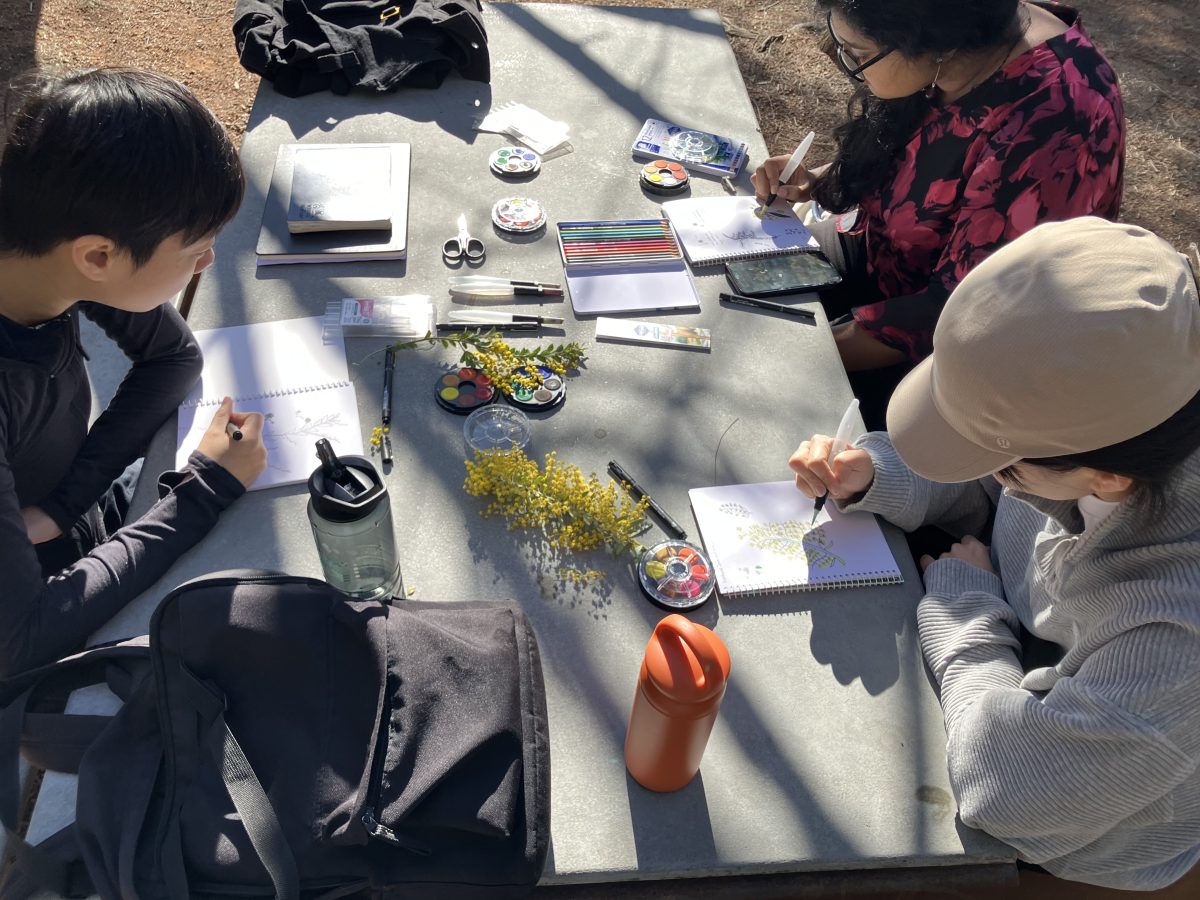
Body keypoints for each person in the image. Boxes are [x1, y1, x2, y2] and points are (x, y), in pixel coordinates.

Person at [789, 218, 1200, 893]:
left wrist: (964, 605)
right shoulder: (1112, 392)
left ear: (1109, 479)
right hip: (1021, 668)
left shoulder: (1174, 636)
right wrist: (877, 472)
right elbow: (984, 471)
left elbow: (1010, 794)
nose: (995, 475)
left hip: (1087, 852)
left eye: (1006, 467)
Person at [0, 68, 267, 678]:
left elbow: (173, 357)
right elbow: (19, 643)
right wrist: (204, 490)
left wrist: (68, 502)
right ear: (99, 256)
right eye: (194, 246)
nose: (208, 261)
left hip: (64, 527)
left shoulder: (40, 246)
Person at [752, 0, 1124, 428]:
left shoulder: (1056, 118)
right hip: (877, 253)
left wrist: (804, 352)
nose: (845, 63)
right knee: (739, 289)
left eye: (855, 53)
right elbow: (917, 156)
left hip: (950, 354)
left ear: (927, 41)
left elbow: (968, 311)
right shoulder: (962, 34)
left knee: (777, 408)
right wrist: (819, 179)